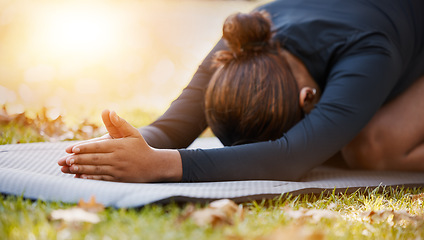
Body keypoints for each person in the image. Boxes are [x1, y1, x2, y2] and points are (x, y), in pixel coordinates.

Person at [58, 0, 424, 183]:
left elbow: (290, 158)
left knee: (371, 147)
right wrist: (129, 145)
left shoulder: (366, 51)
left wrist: (160, 165)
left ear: (308, 98)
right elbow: (172, 129)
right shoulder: (242, 46)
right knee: (338, 146)